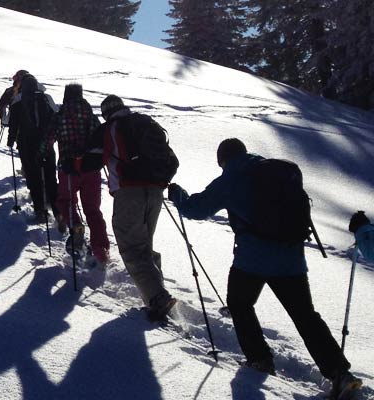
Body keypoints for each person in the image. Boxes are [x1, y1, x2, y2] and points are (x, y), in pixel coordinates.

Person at [170, 138, 362, 399]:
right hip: (291, 258)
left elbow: (197, 209)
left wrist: (178, 195)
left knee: (239, 303)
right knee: (305, 315)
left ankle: (259, 359)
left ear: (222, 160)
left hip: (253, 260)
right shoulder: (275, 170)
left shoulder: (230, 178)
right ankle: (340, 373)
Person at [93, 94, 176, 321]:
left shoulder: (109, 129)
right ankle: (157, 294)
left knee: (132, 248)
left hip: (129, 191)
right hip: (156, 190)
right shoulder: (144, 122)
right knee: (144, 246)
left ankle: (158, 298)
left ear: (106, 113)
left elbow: (90, 158)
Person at [46, 83, 109, 265]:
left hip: (68, 168)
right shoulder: (89, 115)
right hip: (91, 168)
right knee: (93, 209)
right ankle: (100, 250)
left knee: (66, 201)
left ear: (66, 96)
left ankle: (76, 227)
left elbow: (48, 139)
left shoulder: (59, 115)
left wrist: (42, 153)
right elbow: (100, 136)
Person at [7, 73, 59, 224]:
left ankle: (40, 210)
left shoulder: (19, 100)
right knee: (50, 176)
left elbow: (13, 124)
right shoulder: (46, 98)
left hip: (27, 144)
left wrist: (11, 141)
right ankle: (57, 211)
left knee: (33, 176)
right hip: (46, 143)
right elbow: (55, 116)